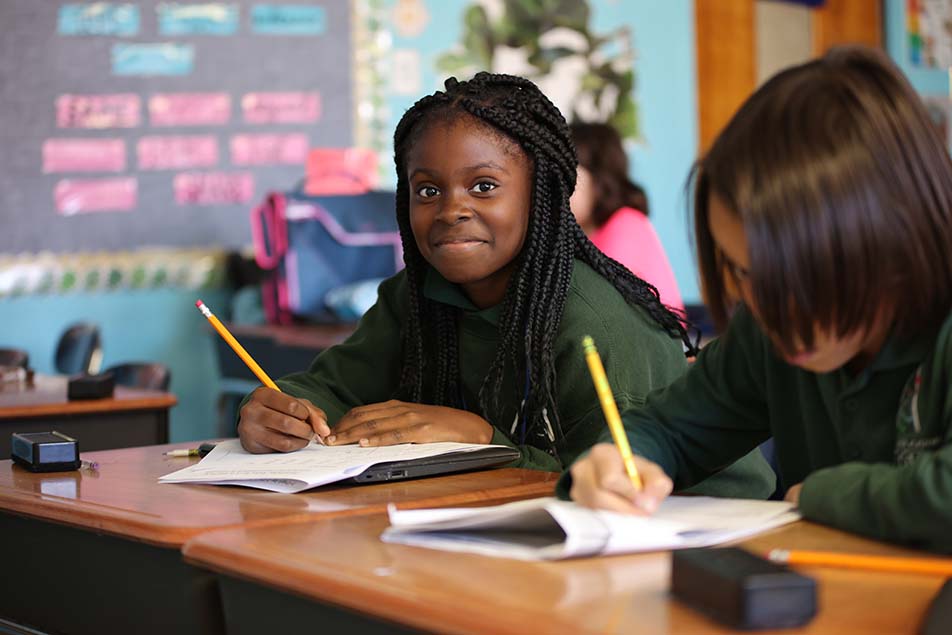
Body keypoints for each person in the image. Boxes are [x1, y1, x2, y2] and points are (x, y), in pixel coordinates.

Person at [235, 72, 774, 494]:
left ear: (542, 196)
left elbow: (608, 481)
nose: (452, 210)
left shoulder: (594, 321)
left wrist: (479, 440)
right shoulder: (415, 298)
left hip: (703, 537)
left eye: (484, 186)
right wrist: (278, 411)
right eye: (427, 191)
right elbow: (331, 390)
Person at [566, 46, 952, 551]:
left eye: (801, 274)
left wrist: (819, 494)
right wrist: (615, 463)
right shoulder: (767, 329)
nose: (764, 305)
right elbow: (666, 428)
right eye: (741, 270)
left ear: (900, 237)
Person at [569, 122, 683, 311]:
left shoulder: (627, 224)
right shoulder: (589, 232)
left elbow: (595, 301)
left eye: (568, 176)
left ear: (599, 179)